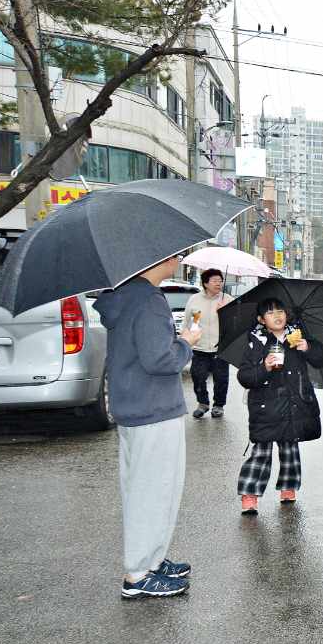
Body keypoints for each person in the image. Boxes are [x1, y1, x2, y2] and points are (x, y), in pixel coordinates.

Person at [94, 254, 199, 599]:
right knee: (153, 490)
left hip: (136, 405)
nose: (180, 258)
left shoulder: (125, 296)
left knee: (150, 486)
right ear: (159, 259)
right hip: (154, 407)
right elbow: (160, 359)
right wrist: (187, 343)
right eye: (177, 255)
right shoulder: (149, 299)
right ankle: (138, 574)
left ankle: (152, 560)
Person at [235, 298, 323, 515]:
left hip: (294, 401)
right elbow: (245, 376)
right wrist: (264, 367)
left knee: (290, 447)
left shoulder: (297, 335)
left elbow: (322, 359)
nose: (277, 316)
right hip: (265, 405)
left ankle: (288, 486)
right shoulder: (255, 342)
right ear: (261, 319)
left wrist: (308, 347)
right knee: (261, 450)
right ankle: (249, 494)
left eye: (280, 311)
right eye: (270, 313)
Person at [184, 268, 233, 419]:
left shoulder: (227, 299)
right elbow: (189, 321)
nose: (219, 283)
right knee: (197, 376)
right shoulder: (194, 300)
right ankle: (203, 403)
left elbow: (234, 324)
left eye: (220, 281)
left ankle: (218, 405)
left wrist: (224, 312)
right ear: (205, 283)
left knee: (221, 379)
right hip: (200, 347)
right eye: (214, 281)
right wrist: (187, 339)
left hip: (220, 347)